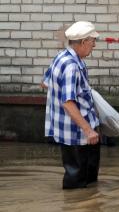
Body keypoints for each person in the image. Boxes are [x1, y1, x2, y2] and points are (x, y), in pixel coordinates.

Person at [41, 21, 100, 189]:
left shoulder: (61, 56)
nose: (94, 45)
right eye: (92, 41)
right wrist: (88, 130)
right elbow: (68, 103)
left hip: (70, 129)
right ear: (82, 42)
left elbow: (45, 83)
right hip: (77, 133)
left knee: (86, 178)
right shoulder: (72, 66)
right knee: (77, 182)